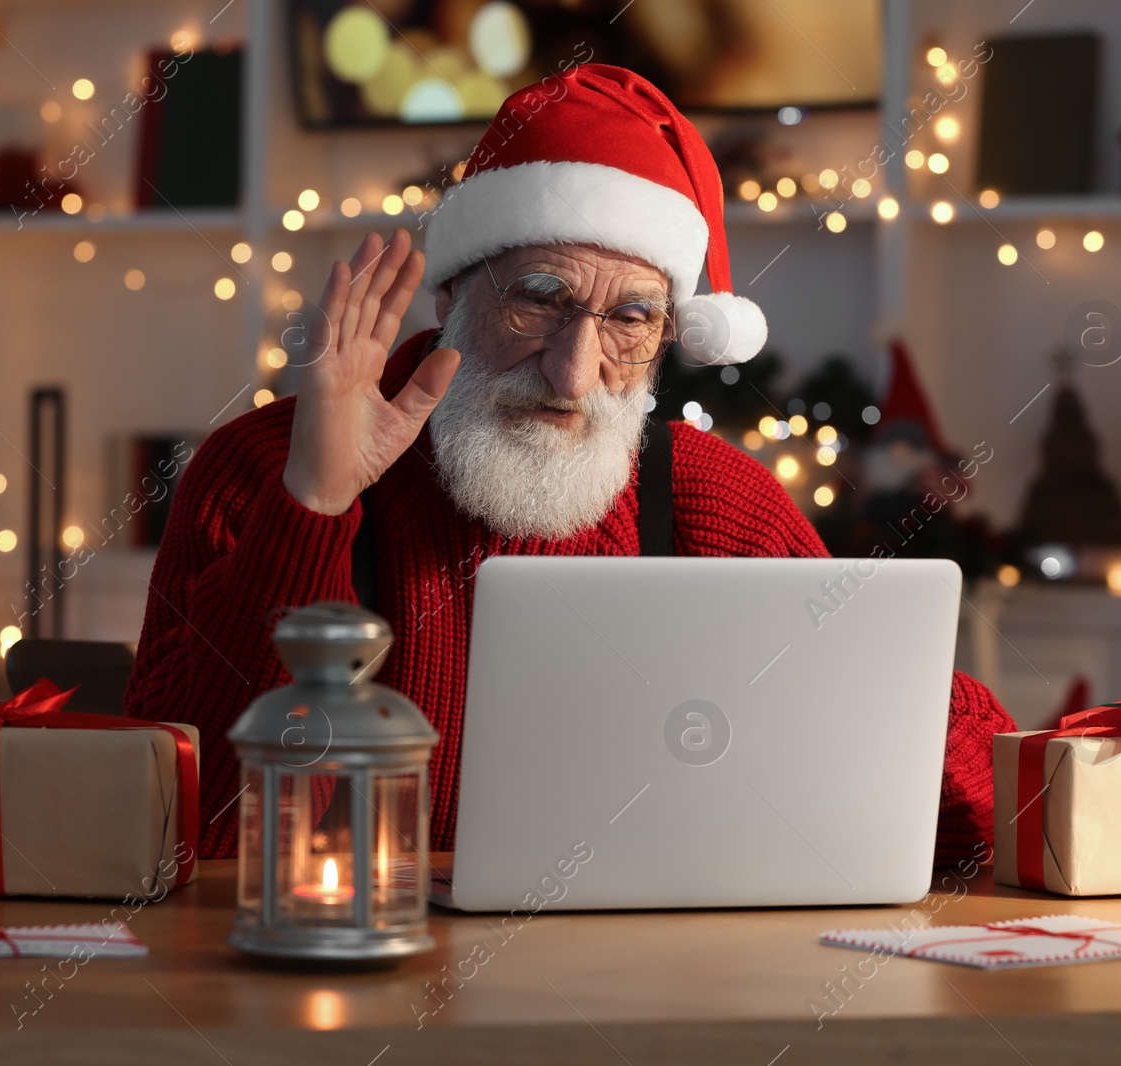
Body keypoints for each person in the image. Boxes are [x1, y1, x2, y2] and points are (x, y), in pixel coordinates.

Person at [126, 64, 1014, 862]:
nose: (574, 373)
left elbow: (972, 790)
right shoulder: (261, 467)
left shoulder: (709, 497)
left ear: (669, 335)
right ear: (454, 297)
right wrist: (313, 505)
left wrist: (879, 712)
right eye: (541, 300)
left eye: (630, 319)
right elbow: (176, 824)